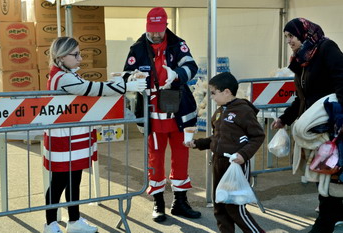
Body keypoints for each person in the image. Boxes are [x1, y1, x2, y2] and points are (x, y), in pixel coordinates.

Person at [43, 36, 146, 233]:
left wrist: (119, 83)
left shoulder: (67, 73)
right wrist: (125, 86)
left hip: (74, 135)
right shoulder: (62, 77)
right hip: (64, 137)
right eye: (75, 54)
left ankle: (74, 221)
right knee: (59, 182)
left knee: (74, 180)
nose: (80, 58)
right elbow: (92, 89)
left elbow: (92, 88)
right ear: (62, 56)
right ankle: (50, 224)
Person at [123, 7, 201, 222]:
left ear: (166, 26)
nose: (156, 35)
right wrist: (134, 79)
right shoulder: (137, 48)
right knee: (155, 160)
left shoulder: (178, 43)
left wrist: (177, 75)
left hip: (179, 112)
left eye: (159, 30)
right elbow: (126, 74)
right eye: (152, 30)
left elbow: (192, 66)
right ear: (147, 27)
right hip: (152, 114)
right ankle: (158, 203)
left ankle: (180, 202)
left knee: (181, 157)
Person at [271, 18, 343, 233]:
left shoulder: (326, 49)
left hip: (330, 125)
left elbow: (342, 81)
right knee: (323, 173)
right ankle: (333, 216)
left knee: (327, 174)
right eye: (286, 37)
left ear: (305, 34)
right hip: (315, 128)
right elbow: (302, 97)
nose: (289, 41)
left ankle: (325, 222)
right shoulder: (302, 60)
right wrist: (285, 118)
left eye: (291, 36)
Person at [185, 72, 265, 233]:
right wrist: (197, 143)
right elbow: (216, 138)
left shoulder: (243, 111)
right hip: (218, 162)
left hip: (235, 164)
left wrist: (243, 155)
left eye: (214, 93)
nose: (212, 97)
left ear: (226, 91)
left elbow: (258, 136)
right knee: (220, 205)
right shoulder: (220, 112)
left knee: (235, 207)